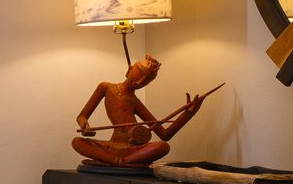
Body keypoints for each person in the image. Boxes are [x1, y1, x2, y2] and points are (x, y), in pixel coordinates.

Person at [73, 55, 215, 167]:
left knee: (162, 147)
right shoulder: (106, 87)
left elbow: (165, 135)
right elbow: (82, 116)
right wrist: (84, 125)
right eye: (138, 74)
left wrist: (189, 113)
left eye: (146, 81)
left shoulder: (135, 102)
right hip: (112, 145)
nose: (140, 82)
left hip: (133, 148)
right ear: (128, 70)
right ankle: (120, 161)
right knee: (77, 142)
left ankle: (119, 161)